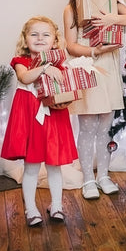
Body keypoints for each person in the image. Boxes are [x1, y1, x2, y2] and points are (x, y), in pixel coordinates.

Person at [63, 0, 126, 200]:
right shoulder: (70, 9)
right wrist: (95, 50)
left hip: (109, 71)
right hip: (88, 69)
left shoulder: (111, 1)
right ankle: (88, 178)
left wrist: (111, 18)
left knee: (105, 128)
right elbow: (71, 46)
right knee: (87, 128)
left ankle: (103, 175)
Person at [1, 16, 78, 226]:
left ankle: (57, 205)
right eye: (34, 34)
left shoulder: (60, 63)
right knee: (32, 166)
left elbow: (67, 89)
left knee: (54, 166)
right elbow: (25, 78)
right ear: (25, 40)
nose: (40, 38)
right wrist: (45, 68)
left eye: (46, 34)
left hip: (53, 117)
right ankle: (31, 208)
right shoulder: (21, 61)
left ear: (54, 40)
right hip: (29, 118)